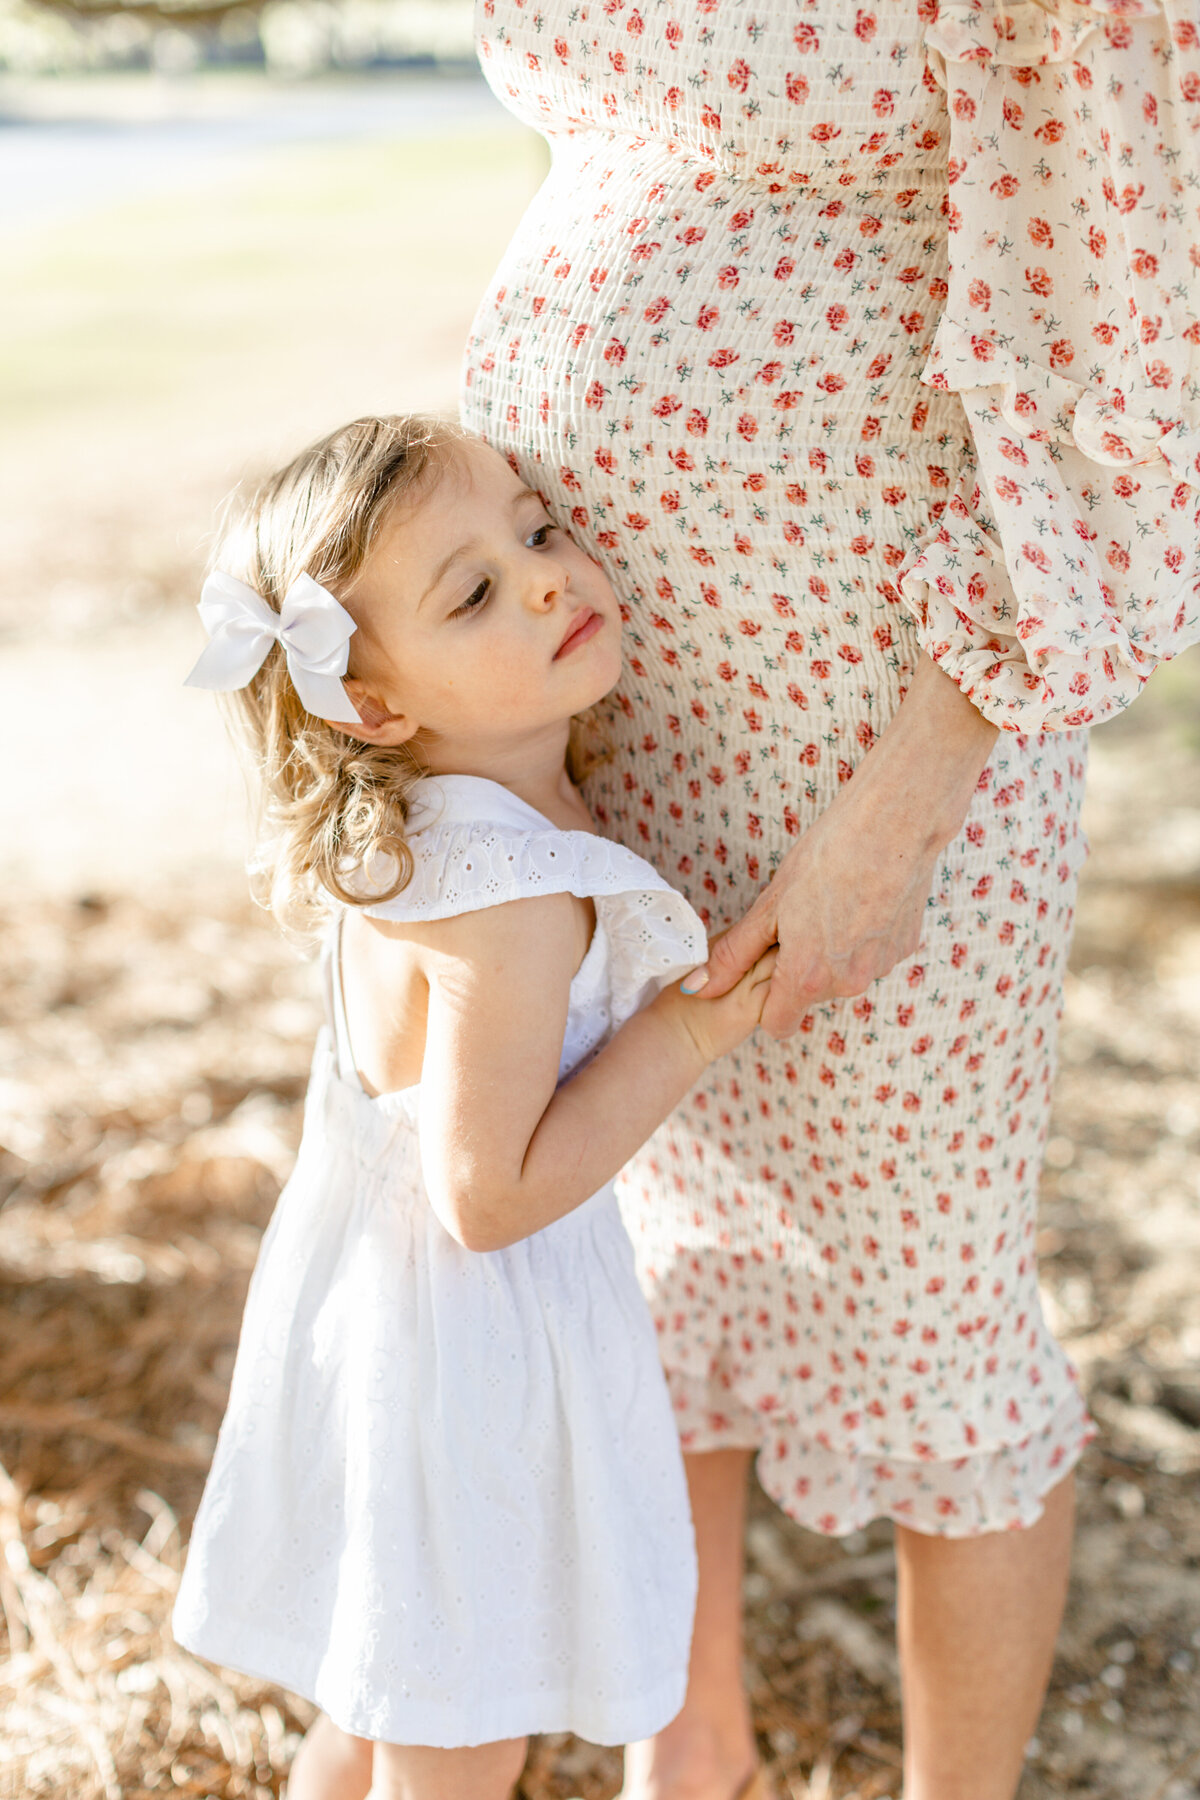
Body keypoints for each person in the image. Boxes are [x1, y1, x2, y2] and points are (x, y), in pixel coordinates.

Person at [461, 2, 1200, 1797]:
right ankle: (686, 1751)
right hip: (594, 677)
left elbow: (1122, 301)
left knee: (930, 1285)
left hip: (871, 704)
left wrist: (913, 794)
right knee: (654, 1224)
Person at [171, 415, 779, 1800]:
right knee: (458, 1725)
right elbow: (487, 1195)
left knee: (386, 1697)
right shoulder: (504, 898)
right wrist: (687, 1027)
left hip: (377, 1322)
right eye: (478, 592)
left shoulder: (429, 825)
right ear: (376, 706)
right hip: (464, 1359)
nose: (550, 577)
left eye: (536, 529)